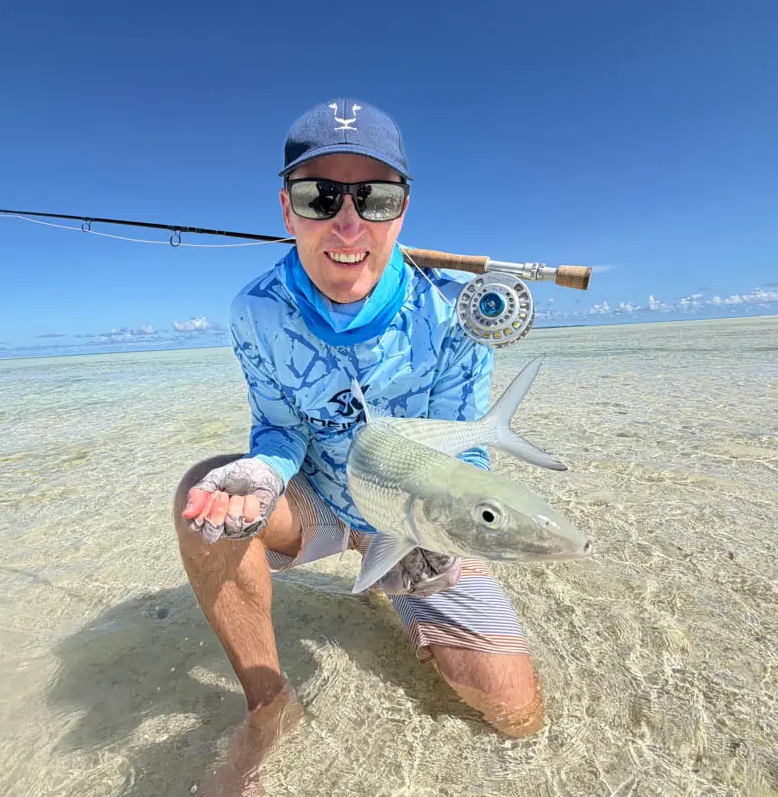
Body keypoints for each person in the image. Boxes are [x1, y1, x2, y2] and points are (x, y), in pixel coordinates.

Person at [173, 99, 543, 788]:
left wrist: (467, 525)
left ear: (402, 209)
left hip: (414, 519)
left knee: (516, 715)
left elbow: (463, 454)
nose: (348, 223)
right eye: (320, 197)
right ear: (287, 210)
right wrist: (262, 471)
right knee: (210, 493)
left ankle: (398, 586)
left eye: (375, 197)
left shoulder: (457, 308)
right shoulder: (256, 313)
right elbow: (279, 428)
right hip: (322, 501)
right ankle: (270, 706)